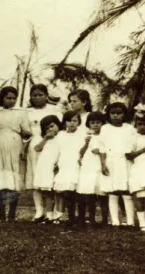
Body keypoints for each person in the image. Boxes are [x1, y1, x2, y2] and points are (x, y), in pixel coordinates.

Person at [0, 87, 32, 222]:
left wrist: (23, 148)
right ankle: (2, 213)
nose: (12, 100)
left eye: (14, 98)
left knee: (14, 177)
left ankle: (12, 214)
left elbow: (27, 133)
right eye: (8, 98)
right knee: (1, 177)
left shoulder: (21, 112)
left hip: (15, 143)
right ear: (2, 98)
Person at [26, 84, 63, 218]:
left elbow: (60, 127)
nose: (38, 98)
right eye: (34, 95)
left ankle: (53, 211)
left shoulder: (55, 109)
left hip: (52, 145)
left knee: (51, 176)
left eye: (41, 95)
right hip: (35, 145)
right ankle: (39, 210)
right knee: (36, 176)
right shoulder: (27, 112)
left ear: (46, 96)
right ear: (30, 97)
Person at [99, 102, 136, 228]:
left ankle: (130, 220)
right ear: (108, 115)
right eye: (113, 113)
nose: (115, 116)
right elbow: (102, 148)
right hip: (111, 161)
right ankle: (115, 220)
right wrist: (103, 164)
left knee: (126, 190)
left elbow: (133, 145)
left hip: (125, 162)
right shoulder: (105, 128)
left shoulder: (129, 128)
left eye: (119, 113)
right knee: (112, 190)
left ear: (124, 114)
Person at [76, 111, 109, 227]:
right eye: (92, 122)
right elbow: (80, 152)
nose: (95, 125)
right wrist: (86, 144)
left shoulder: (105, 136)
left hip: (100, 164)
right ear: (88, 124)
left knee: (102, 194)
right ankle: (88, 219)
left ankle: (104, 220)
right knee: (87, 193)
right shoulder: (86, 136)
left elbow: (108, 150)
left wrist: (99, 151)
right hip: (88, 164)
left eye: (98, 122)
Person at [53, 111, 85, 227]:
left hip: (76, 164)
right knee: (66, 191)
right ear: (65, 122)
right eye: (69, 120)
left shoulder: (82, 135)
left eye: (75, 121)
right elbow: (57, 150)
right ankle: (70, 216)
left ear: (79, 122)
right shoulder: (61, 135)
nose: (72, 123)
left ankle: (79, 217)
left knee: (76, 191)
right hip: (64, 164)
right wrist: (56, 163)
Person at [31, 115, 61, 223]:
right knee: (47, 192)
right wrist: (46, 138)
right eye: (47, 128)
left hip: (55, 166)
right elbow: (37, 148)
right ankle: (49, 215)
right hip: (44, 166)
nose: (50, 130)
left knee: (57, 192)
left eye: (52, 126)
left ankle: (56, 215)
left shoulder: (61, 137)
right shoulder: (45, 139)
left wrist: (59, 164)